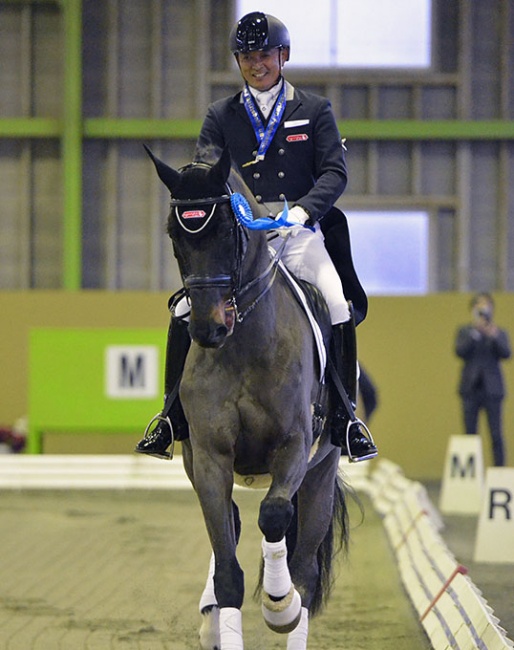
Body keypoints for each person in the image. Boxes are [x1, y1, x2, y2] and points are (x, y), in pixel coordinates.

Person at [136, 11, 377, 462]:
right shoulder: (221, 115)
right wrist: (237, 212)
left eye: (264, 55)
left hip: (299, 234)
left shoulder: (314, 110)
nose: (255, 64)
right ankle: (171, 418)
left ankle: (347, 420)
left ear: (282, 56)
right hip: (244, 239)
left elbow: (334, 171)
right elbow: (208, 174)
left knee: (338, 303)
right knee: (184, 308)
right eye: (246, 57)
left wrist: (304, 211)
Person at [455, 292, 511, 466]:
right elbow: (460, 351)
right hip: (470, 389)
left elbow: (506, 353)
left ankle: (499, 471)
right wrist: (476, 332)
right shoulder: (465, 331)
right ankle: (472, 474)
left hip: (492, 390)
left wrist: (492, 335)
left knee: (496, 434)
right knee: (470, 435)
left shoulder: (498, 332)